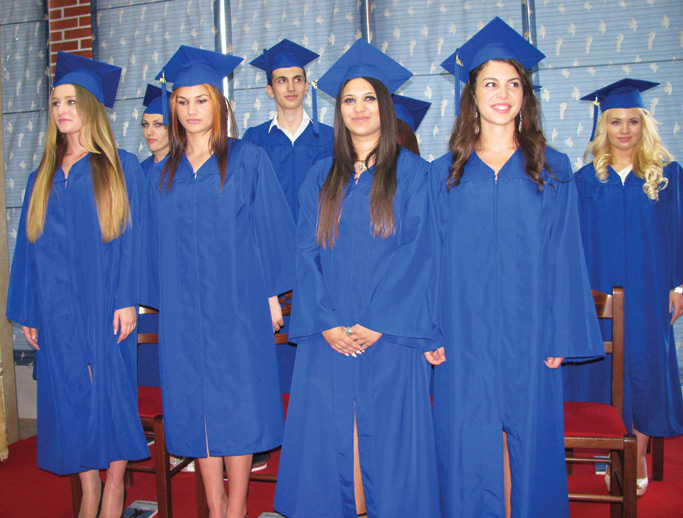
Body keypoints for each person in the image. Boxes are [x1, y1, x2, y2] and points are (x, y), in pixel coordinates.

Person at [430, 17, 603, 518]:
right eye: (490, 84)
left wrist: (560, 335)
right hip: (463, 333)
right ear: (472, 96)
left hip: (531, 335)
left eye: (513, 84)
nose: (502, 94)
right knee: (464, 447)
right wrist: (433, 329)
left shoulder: (552, 168)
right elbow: (432, 259)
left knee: (533, 447)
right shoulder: (445, 175)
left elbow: (566, 256)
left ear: (525, 95)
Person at [274, 38, 441, 518]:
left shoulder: (414, 175)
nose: (359, 108)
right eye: (349, 99)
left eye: (369, 98)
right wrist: (325, 322)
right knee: (333, 440)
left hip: (388, 334)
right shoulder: (320, 177)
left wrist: (379, 320)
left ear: (385, 107)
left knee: (386, 445)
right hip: (329, 334)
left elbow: (419, 251)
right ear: (338, 110)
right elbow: (304, 254)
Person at [142, 46, 295, 518]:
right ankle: (213, 505)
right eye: (182, 102)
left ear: (218, 103)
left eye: (201, 100)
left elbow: (271, 231)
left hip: (238, 303)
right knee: (196, 408)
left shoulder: (246, 160)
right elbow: (147, 244)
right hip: (184, 312)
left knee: (238, 404)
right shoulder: (161, 175)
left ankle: (237, 503)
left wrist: (272, 294)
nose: (191, 111)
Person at [6, 52, 148, 518]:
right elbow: (28, 248)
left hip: (104, 302)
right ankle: (89, 489)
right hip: (56, 307)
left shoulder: (119, 166)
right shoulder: (40, 177)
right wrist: (29, 312)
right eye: (55, 102)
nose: (62, 110)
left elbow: (134, 238)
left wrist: (128, 299)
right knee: (70, 396)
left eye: (70, 100)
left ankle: (113, 488)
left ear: (89, 105)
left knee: (109, 393)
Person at [563, 78, 683, 495]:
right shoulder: (584, 181)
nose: (625, 130)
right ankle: (608, 448)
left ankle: (638, 456)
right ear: (603, 126)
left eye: (633, 121)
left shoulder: (666, 176)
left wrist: (679, 287)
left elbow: (679, 232)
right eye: (616, 122)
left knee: (647, 366)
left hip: (650, 292)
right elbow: (572, 243)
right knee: (601, 367)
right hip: (600, 294)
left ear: (644, 125)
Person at [243, 39, 335, 398]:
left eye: (297, 79)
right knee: (272, 351)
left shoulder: (330, 139)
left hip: (321, 261)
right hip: (270, 263)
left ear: (306, 84)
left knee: (318, 352)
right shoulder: (252, 143)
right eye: (281, 80)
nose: (291, 87)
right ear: (269, 89)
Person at [140, 84, 170, 176]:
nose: (149, 132)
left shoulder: (189, 168)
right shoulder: (140, 170)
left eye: (158, 124)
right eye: (145, 124)